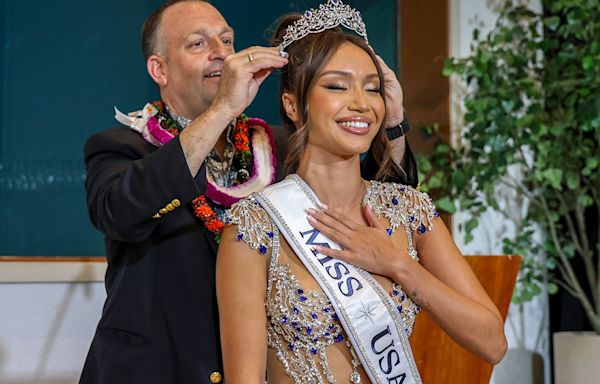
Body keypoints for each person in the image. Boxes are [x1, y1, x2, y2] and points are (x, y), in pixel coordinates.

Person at [80, 0, 416, 383]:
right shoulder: (121, 147)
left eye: (226, 40)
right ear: (159, 69)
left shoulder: (277, 147)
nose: (221, 54)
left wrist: (391, 121)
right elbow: (119, 212)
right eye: (198, 44)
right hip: (156, 369)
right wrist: (223, 108)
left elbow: (392, 209)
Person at [216, 2, 508, 383]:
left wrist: (398, 265)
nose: (361, 103)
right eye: (337, 86)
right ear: (293, 105)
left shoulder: (409, 208)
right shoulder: (254, 224)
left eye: (372, 88)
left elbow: (492, 343)